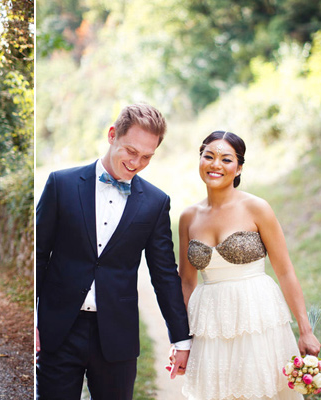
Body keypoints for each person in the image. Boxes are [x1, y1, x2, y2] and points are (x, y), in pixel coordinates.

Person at [36, 103, 191, 399]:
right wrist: (34, 319)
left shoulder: (156, 203)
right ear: (112, 135)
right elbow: (39, 255)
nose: (136, 163)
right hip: (58, 330)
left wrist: (180, 338)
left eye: (147, 157)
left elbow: (164, 275)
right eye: (131, 151)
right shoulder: (61, 184)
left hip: (117, 336)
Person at [177, 131, 321, 399]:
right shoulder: (188, 217)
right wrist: (180, 339)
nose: (215, 165)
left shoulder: (257, 208)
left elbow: (285, 271)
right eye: (208, 156)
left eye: (226, 159)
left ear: (239, 167)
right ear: (200, 159)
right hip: (210, 322)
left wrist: (306, 331)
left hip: (257, 316)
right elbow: (186, 281)